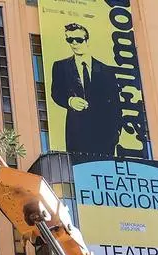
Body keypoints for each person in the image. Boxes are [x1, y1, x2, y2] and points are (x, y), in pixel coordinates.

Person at [49, 23, 120, 157]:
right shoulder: (60, 66)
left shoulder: (106, 70)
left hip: (103, 134)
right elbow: (56, 92)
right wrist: (70, 101)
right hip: (76, 132)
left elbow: (116, 104)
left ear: (86, 40)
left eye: (79, 40)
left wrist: (116, 132)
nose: (74, 43)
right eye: (70, 40)